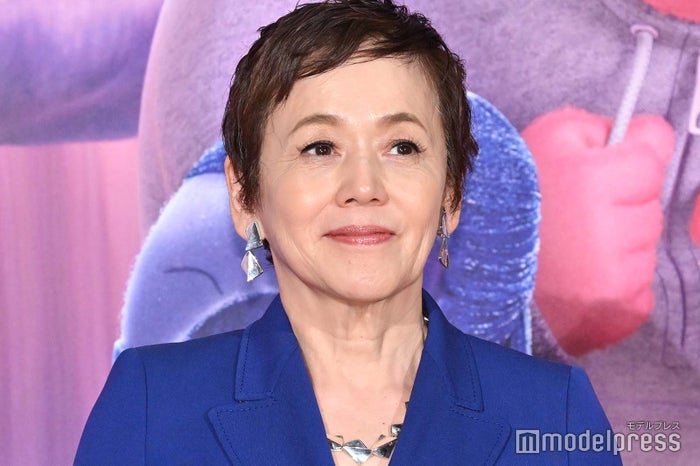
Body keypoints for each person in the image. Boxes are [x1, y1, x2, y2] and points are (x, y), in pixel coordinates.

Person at [74, 1, 620, 464]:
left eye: (402, 147)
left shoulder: (556, 415)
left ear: (451, 195)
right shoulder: (152, 406)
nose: (364, 186)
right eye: (320, 147)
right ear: (245, 197)